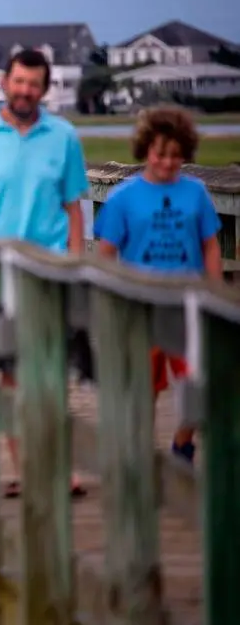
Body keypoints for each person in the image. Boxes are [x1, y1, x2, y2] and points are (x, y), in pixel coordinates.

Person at [0, 47, 89, 499]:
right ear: (5, 83)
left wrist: (76, 265)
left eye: (34, 83)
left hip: (49, 273)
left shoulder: (63, 137)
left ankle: (57, 468)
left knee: (51, 376)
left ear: (44, 89)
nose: (25, 90)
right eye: (19, 81)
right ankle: (27, 469)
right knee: (10, 376)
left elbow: (74, 208)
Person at [93, 106, 222, 463]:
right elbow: (106, 253)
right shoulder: (123, 197)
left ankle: (183, 446)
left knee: (197, 384)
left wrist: (215, 291)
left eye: (177, 155)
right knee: (142, 389)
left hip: (187, 306)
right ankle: (138, 455)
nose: (168, 162)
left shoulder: (195, 193)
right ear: (146, 148)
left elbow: (210, 243)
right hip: (140, 306)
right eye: (161, 153)